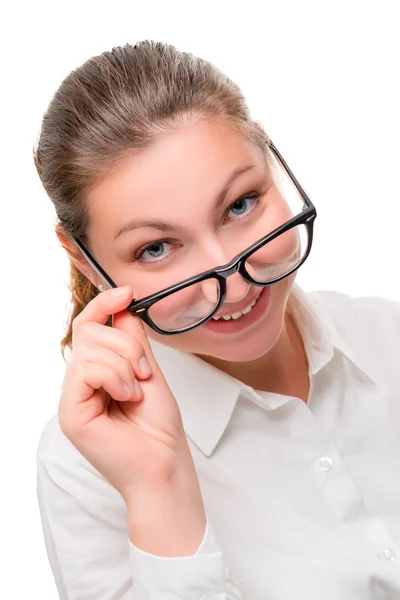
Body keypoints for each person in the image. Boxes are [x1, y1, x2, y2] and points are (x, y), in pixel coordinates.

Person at [34, 40, 400, 600]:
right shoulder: (84, 469)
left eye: (240, 205)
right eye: (157, 248)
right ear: (83, 257)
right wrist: (159, 490)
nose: (232, 283)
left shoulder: (386, 335)